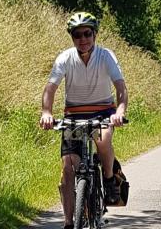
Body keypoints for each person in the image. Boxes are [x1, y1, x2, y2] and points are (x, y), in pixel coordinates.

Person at [39, 11, 128, 229]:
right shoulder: (65, 58)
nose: (83, 39)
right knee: (68, 169)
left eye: (87, 33)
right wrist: (46, 112)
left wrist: (120, 111)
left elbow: (121, 88)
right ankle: (70, 222)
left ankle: (108, 179)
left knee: (104, 139)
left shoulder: (106, 56)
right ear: (72, 37)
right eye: (77, 35)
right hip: (74, 115)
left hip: (103, 112)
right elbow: (50, 88)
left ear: (95, 34)